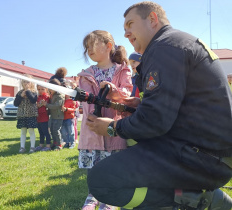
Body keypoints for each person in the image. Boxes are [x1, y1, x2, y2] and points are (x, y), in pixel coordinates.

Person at [85, 2, 232, 210]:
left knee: (101, 181)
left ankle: (200, 201)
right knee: (131, 154)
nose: (126, 33)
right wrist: (137, 103)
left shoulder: (164, 47)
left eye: (130, 24)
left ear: (153, 19)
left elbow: (155, 120)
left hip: (202, 158)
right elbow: (177, 106)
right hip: (209, 154)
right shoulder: (174, 43)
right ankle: (191, 196)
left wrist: (112, 127)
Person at [77, 30, 133, 210]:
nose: (89, 50)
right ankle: (92, 197)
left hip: (113, 128)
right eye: (87, 47)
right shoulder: (86, 74)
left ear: (108, 46)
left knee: (112, 168)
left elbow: (126, 93)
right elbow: (86, 102)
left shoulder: (122, 70)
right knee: (93, 168)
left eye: (92, 45)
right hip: (92, 129)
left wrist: (113, 90)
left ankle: (108, 198)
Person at [14, 75, 38, 153]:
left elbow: (33, 100)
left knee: (31, 130)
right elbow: (16, 103)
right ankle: (22, 147)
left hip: (31, 114)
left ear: (31, 83)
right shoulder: (19, 92)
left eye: (28, 81)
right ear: (22, 83)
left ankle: (32, 147)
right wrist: (20, 96)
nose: (26, 83)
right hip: (22, 114)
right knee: (23, 131)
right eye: (24, 81)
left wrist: (27, 91)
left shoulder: (34, 92)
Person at [42, 78, 65, 150]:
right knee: (52, 130)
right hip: (53, 116)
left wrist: (46, 104)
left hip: (58, 117)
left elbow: (56, 106)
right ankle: (55, 143)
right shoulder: (53, 95)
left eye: (51, 88)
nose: (50, 90)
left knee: (56, 130)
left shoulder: (59, 95)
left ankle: (59, 145)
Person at [35, 85, 51, 152]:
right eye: (38, 89)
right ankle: (41, 145)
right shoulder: (38, 97)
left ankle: (48, 145)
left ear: (46, 89)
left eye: (42, 89)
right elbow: (37, 105)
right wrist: (40, 104)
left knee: (46, 132)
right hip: (39, 117)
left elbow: (45, 104)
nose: (40, 91)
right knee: (40, 132)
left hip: (45, 117)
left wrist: (40, 104)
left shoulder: (47, 96)